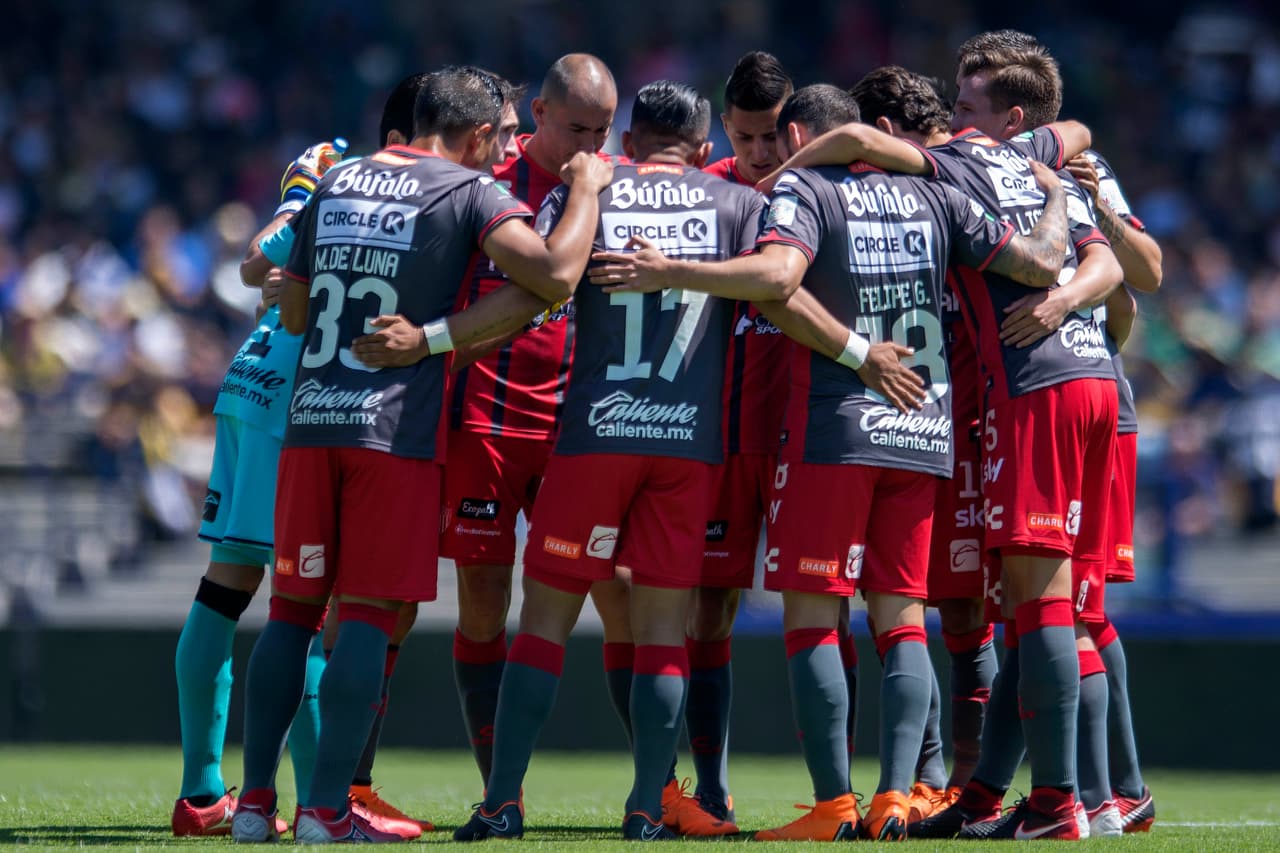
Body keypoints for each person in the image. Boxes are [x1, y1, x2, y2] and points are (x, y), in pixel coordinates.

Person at [587, 83, 1070, 842]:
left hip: (833, 429)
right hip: (922, 428)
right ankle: (896, 798)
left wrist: (672, 270)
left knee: (814, 618)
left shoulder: (806, 189)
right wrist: (1055, 202)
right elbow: (1042, 262)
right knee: (901, 619)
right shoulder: (934, 193)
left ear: (805, 133)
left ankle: (835, 806)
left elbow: (777, 281)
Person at [454, 78, 873, 844]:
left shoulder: (596, 193)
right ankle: (649, 805)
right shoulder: (741, 206)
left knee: (542, 621)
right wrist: (861, 352)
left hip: (592, 437)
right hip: (688, 447)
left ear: (625, 142)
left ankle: (502, 800)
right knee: (660, 633)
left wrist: (440, 343)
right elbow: (781, 291)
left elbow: (544, 280)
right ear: (708, 150)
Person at [229, 65, 614, 844]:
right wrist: (586, 192)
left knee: (293, 614)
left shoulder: (338, 181)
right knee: (369, 614)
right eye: (498, 138)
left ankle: (253, 805)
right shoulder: (467, 190)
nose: (502, 150)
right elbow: (556, 275)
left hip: (312, 421)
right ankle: (327, 809)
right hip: (393, 430)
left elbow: (292, 305)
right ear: (475, 136)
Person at [439, 54, 636, 792]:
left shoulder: (622, 188)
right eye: (577, 126)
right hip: (485, 426)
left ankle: (660, 784)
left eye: (603, 128)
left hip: (581, 431)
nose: (591, 143)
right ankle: (501, 785)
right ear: (542, 116)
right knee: (485, 593)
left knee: (618, 585)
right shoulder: (485, 186)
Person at [171, 126, 346, 838]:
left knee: (224, 585)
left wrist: (293, 215)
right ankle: (317, 801)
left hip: (251, 375)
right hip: (292, 397)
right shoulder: (373, 179)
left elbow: (253, 263)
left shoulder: (322, 168)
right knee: (305, 598)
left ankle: (202, 792)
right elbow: (254, 268)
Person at [659, 49, 795, 839]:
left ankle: (887, 787)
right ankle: (711, 787)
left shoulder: (830, 188)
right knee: (709, 609)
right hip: (720, 436)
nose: (759, 155)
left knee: (841, 600)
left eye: (773, 137)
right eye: (745, 139)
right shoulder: (705, 194)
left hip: (810, 435)